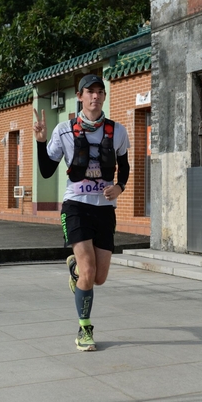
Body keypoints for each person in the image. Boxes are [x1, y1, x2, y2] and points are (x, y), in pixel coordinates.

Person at [33, 74, 130, 351]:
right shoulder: (63, 130)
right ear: (80, 96)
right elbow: (47, 170)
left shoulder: (118, 131)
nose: (95, 96)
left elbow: (124, 167)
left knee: (99, 277)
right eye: (90, 92)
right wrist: (41, 141)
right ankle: (84, 329)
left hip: (105, 209)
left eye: (100, 91)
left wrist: (119, 188)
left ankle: (74, 269)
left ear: (104, 96)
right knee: (89, 270)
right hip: (75, 205)